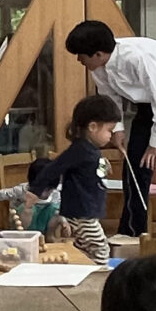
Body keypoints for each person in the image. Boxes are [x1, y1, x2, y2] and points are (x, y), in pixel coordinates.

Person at [66, 20, 156, 243]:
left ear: (98, 54)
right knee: (134, 164)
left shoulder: (135, 58)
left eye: (81, 55)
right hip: (147, 106)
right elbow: (111, 98)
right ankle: (132, 233)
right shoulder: (98, 69)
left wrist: (155, 145)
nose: (79, 60)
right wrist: (117, 129)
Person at [27, 93, 123, 261]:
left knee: (84, 248)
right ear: (93, 127)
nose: (111, 136)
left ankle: (83, 268)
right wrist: (35, 190)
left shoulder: (91, 150)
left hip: (88, 210)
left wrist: (103, 165)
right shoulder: (80, 150)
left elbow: (92, 172)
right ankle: (99, 273)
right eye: (109, 130)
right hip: (81, 213)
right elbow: (53, 168)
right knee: (100, 248)